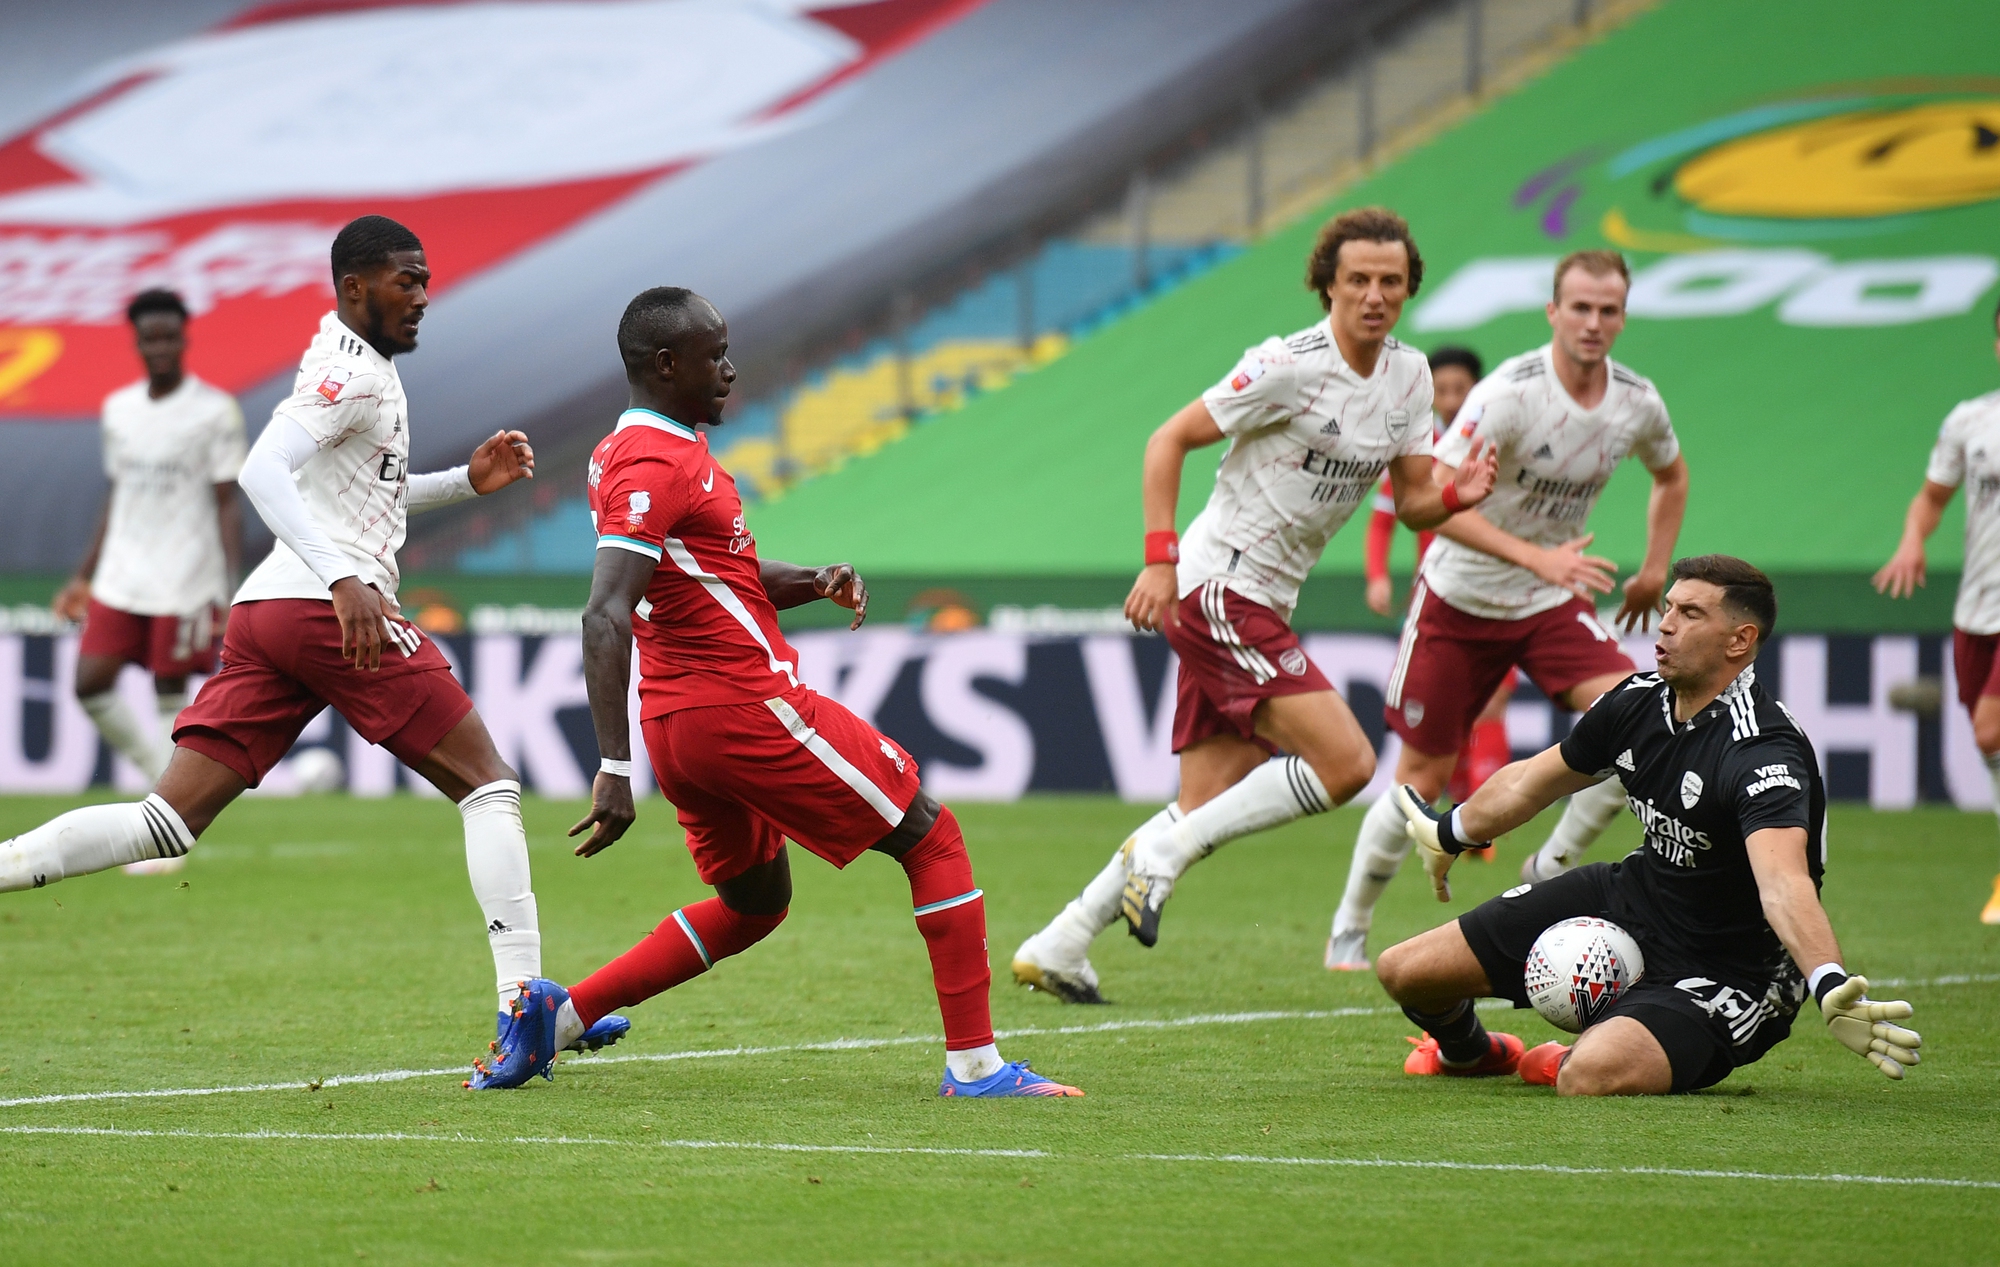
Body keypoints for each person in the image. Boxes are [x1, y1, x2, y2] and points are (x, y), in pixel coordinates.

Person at [0, 217, 624, 1050]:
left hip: (269, 615)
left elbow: (353, 495)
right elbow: (262, 470)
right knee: (490, 787)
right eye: (407, 280)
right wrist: (344, 578)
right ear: (356, 287)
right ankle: (525, 1007)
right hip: (319, 607)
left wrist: (460, 484)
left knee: (167, 822)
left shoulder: (354, 366)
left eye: (427, 280)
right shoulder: (349, 373)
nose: (423, 297)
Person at [468, 287, 1080, 1097]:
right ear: (664, 365)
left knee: (755, 902)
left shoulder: (632, 452)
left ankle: (564, 1015)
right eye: (712, 354)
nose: (728, 369)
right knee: (930, 836)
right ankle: (977, 1066)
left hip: (682, 724)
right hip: (743, 707)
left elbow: (712, 572)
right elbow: (604, 611)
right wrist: (612, 766)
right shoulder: (658, 461)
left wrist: (811, 579)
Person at [1009, 207, 1498, 1005]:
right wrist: (1159, 561)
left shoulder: (1410, 377)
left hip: (1264, 596)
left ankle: (1059, 940)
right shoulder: (1285, 366)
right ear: (1327, 287)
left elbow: (1412, 501)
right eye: (1358, 281)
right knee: (1346, 763)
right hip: (1218, 586)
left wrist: (1454, 496)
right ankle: (1158, 863)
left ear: (1409, 289)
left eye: (1391, 282)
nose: (1375, 295)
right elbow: (1166, 440)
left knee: (1200, 804)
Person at [1374, 555, 1922, 1094]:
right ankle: (1470, 1052)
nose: (1665, 623)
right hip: (1634, 898)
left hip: (1731, 969)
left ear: (1740, 640)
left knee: (1589, 1076)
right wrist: (1450, 833)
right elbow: (1529, 783)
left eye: (1690, 613)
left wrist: (1827, 982)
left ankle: (1576, 1054)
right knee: (1404, 971)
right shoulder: (1635, 703)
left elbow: (1784, 885)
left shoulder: (1761, 751)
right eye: (1668, 608)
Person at [1324, 249, 1690, 972]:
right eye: (1579, 307)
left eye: (1607, 309)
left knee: (1640, 722)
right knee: (1421, 777)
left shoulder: (1637, 400)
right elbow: (1432, 505)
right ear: (1552, 311)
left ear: (1623, 314)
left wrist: (1653, 570)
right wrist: (1538, 557)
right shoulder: (1508, 396)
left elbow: (1671, 474)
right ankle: (1350, 925)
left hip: (1549, 599)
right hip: (1460, 595)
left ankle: (1546, 873)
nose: (1593, 322)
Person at [52, 289, 244, 877]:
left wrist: (232, 590)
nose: (159, 346)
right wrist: (84, 575)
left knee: (169, 693)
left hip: (186, 574)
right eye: (149, 337)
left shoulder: (215, 412)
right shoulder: (119, 410)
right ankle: (158, 799)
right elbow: (119, 494)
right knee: (90, 683)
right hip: (122, 573)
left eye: (168, 335)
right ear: (137, 342)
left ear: (184, 338)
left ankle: (164, 832)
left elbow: (226, 503)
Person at [1357, 345, 1512, 875]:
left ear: (1477, 391)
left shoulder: (1500, 452)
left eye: (1458, 390)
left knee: (1489, 706)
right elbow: (1383, 519)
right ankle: (1462, 817)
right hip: (1437, 601)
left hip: (1499, 596)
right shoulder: (1417, 454)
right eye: (1440, 390)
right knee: (1446, 724)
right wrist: (1378, 575)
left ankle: (1480, 825)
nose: (1449, 400)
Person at [1873, 300, 2000, 923]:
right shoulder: (1972, 421)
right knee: (1989, 745)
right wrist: (1912, 539)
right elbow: (1931, 498)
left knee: (1990, 730)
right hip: (1977, 606)